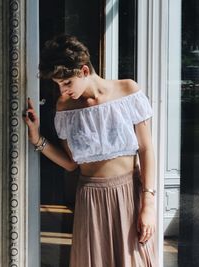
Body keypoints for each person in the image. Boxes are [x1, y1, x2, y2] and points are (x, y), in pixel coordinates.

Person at [23, 34, 156, 267]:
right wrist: (37, 139)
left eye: (66, 83)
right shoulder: (65, 108)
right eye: (57, 85)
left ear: (84, 71)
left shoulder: (127, 91)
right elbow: (71, 163)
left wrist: (149, 204)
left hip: (128, 196)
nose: (63, 91)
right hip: (90, 200)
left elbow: (146, 150)